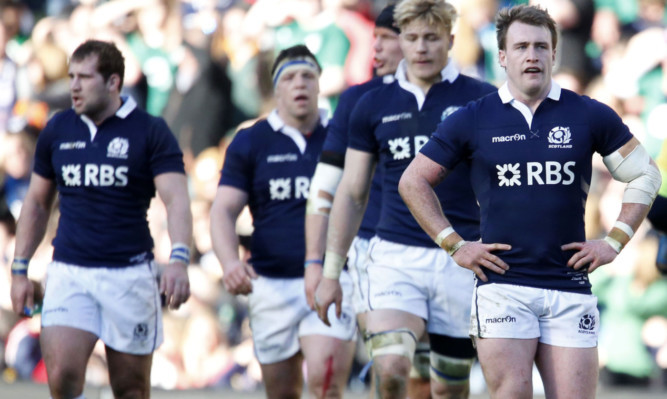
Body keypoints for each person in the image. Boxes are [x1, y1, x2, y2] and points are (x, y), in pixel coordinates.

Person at [398, 4, 662, 399]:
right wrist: (455, 245)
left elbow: (647, 174)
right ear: (502, 56)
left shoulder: (589, 114)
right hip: (502, 284)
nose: (532, 56)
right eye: (521, 46)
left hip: (569, 284)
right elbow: (413, 180)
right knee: (512, 393)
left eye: (541, 46)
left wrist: (614, 242)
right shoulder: (473, 117)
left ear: (555, 54)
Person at [313, 1, 497, 398]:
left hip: (460, 257)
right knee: (392, 367)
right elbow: (352, 191)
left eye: (431, 38)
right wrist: (330, 272)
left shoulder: (482, 100)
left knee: (449, 388)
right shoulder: (372, 104)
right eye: (411, 38)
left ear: (450, 39)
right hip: (394, 256)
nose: (421, 48)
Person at [9, 39, 192, 399]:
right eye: (71, 76)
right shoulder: (58, 128)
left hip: (129, 274)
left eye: (84, 77)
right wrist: (19, 269)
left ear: (113, 83)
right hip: (69, 271)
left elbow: (177, 199)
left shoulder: (150, 130)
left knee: (130, 388)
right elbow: (36, 203)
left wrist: (180, 259)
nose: (73, 86)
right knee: (61, 377)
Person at [210, 44, 357, 399]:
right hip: (270, 282)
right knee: (281, 391)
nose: (299, 84)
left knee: (326, 383)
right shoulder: (250, 140)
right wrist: (230, 262)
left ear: (321, 83)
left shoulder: (344, 135)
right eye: (289, 77)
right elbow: (223, 210)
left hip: (332, 277)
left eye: (308, 76)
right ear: (276, 87)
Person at [304, 4, 436, 397]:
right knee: (393, 366)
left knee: (432, 381)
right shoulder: (359, 100)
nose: (374, 48)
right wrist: (318, 263)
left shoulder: (463, 99)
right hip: (378, 254)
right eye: (373, 38)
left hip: (447, 255)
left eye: (385, 38)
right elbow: (324, 189)